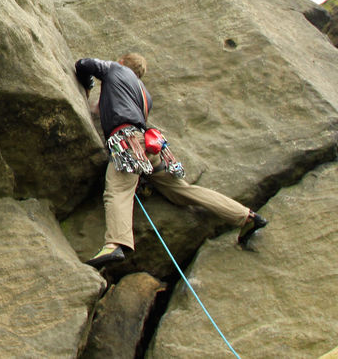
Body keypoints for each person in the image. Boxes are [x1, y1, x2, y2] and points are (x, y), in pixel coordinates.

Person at [75, 53, 267, 268]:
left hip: (128, 141)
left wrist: (87, 85)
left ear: (121, 62)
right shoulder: (145, 95)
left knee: (118, 189)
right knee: (181, 191)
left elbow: (84, 65)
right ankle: (245, 216)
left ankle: (115, 243)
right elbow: (111, 107)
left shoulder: (115, 69)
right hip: (150, 146)